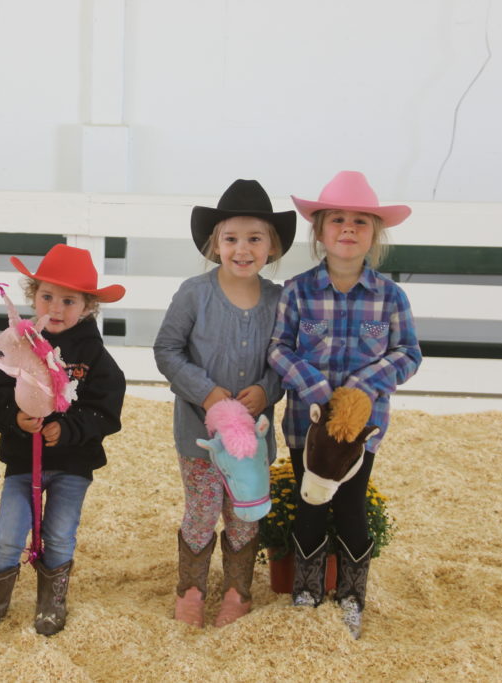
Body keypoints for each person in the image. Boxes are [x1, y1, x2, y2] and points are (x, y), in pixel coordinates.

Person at [268, 171, 422, 638]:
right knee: (309, 501)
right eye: (337, 220)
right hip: (306, 425)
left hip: (361, 430)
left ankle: (352, 595)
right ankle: (307, 591)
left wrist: (361, 385)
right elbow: (279, 349)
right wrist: (315, 387)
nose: (348, 229)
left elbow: (408, 353)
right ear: (320, 231)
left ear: (376, 234)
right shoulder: (297, 291)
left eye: (361, 221)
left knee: (352, 504)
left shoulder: (390, 296)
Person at [154, 179, 295, 628]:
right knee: (201, 509)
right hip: (199, 434)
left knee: (244, 512)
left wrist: (268, 390)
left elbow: (287, 358)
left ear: (271, 247)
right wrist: (206, 392)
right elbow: (167, 350)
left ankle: (237, 591)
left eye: (255, 239)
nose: (242, 249)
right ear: (214, 245)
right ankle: (191, 590)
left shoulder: (279, 300)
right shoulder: (194, 293)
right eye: (231, 238)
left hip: (252, 440)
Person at [0, 244, 126, 636]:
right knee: (8, 532)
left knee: (59, 533)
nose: (55, 308)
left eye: (68, 301)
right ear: (32, 295)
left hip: (72, 463)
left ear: (88, 306)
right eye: (47, 296)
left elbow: (106, 408)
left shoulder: (93, 353)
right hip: (23, 461)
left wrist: (68, 429)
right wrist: (16, 418)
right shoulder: (18, 341)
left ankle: (51, 600)